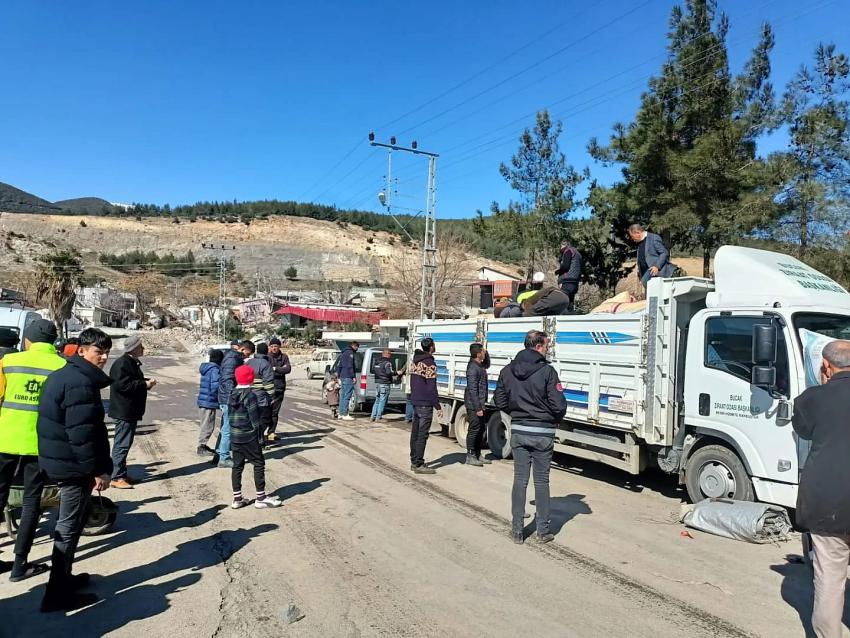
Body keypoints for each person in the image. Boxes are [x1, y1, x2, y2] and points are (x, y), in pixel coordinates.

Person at [37, 328, 114, 612]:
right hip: (72, 467)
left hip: (65, 461)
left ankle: (64, 579)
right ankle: (56, 594)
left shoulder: (68, 375)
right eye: (98, 351)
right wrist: (97, 470)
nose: (104, 357)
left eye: (106, 352)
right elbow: (82, 436)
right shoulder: (79, 382)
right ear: (81, 351)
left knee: (71, 524)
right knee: (68, 527)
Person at [792, 340, 850, 638]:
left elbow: (802, 429)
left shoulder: (812, 399)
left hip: (829, 504)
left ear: (826, 366)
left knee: (829, 580)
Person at [0, 319, 66, 581]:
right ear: (52, 342)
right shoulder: (62, 365)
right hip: (41, 443)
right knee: (31, 502)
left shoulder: (8, 362)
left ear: (27, 340)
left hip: (5, 439)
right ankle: (19, 566)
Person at [494, 330, 566, 545]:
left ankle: (517, 530)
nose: (547, 348)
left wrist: (516, 413)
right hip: (543, 432)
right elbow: (559, 404)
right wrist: (551, 418)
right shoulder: (547, 372)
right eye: (545, 345)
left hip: (519, 430)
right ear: (538, 346)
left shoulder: (507, 371)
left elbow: (499, 399)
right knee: (542, 481)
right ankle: (542, 531)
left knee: (520, 479)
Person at [228, 365, 281, 510]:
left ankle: (237, 499)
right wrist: (260, 437)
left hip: (235, 436)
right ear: (251, 378)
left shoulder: (232, 394)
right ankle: (261, 498)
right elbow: (254, 419)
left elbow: (228, 416)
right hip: (249, 436)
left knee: (237, 466)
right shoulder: (250, 395)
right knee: (258, 463)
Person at [107, 335, 155, 489]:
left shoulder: (130, 362)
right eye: (140, 347)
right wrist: (145, 384)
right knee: (122, 444)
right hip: (124, 410)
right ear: (133, 349)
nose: (143, 349)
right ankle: (116, 476)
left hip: (129, 410)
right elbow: (123, 386)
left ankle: (121, 472)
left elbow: (132, 381)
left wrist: (145, 382)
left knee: (125, 443)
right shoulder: (122, 364)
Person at [409, 337, 442, 475]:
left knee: (415, 433)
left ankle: (413, 460)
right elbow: (431, 387)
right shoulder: (429, 363)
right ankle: (418, 463)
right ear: (431, 347)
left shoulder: (415, 361)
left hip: (416, 401)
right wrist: (437, 405)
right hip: (425, 403)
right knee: (422, 434)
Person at [216, 341, 245, 468]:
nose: (246, 357)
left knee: (225, 428)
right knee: (227, 429)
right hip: (228, 399)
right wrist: (232, 398)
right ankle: (224, 457)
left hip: (226, 397)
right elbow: (228, 380)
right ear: (242, 349)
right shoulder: (232, 358)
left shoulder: (231, 357)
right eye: (247, 353)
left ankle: (219, 454)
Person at [242, 341, 275, 444]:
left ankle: (253, 439)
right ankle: (258, 439)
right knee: (264, 419)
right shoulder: (265, 364)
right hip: (261, 397)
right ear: (266, 352)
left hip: (248, 395)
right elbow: (268, 383)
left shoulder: (248, 362)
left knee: (251, 419)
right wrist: (272, 396)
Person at [464, 343, 491, 467]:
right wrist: (478, 408)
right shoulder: (472, 368)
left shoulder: (479, 366)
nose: (484, 353)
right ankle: (470, 455)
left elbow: (488, 363)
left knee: (481, 430)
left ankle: (477, 454)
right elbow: (472, 390)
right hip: (474, 404)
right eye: (483, 351)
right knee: (474, 430)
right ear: (478, 353)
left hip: (480, 403)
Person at [628, 223, 674, 288]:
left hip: (655, 272)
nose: (631, 239)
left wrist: (657, 266)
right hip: (645, 273)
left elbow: (664, 253)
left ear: (637, 232)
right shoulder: (640, 242)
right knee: (649, 293)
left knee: (650, 288)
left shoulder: (653, 238)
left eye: (632, 236)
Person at [196, 349, 223, 456]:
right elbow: (215, 386)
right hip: (209, 401)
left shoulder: (207, 368)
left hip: (204, 401)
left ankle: (202, 445)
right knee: (207, 425)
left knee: (205, 424)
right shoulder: (215, 370)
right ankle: (201, 447)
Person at [267, 337, 291, 441]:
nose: (273, 348)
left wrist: (275, 368)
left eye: (275, 346)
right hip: (268, 388)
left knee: (275, 412)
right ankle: (261, 432)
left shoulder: (284, 357)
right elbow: (267, 370)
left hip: (279, 388)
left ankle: (271, 432)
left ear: (279, 347)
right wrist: (280, 370)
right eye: (272, 346)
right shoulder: (266, 357)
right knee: (266, 411)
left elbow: (288, 369)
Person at [554, 240, 582, 313]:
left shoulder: (568, 251)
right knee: (570, 303)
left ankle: (564, 320)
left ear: (565, 245)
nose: (560, 248)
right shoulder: (578, 253)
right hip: (575, 282)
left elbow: (566, 266)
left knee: (563, 303)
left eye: (561, 246)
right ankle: (571, 318)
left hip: (567, 281)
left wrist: (557, 272)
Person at [371, 348, 396, 422]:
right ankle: (379, 417)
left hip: (378, 383)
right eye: (390, 354)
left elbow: (373, 370)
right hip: (385, 383)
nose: (391, 356)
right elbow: (389, 372)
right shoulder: (387, 363)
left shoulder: (377, 362)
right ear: (387, 354)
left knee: (377, 400)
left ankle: (373, 416)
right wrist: (396, 373)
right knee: (382, 401)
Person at [337, 341, 359, 422]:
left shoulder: (343, 353)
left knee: (342, 395)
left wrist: (338, 375)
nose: (357, 349)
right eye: (357, 347)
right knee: (347, 395)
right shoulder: (350, 353)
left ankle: (340, 413)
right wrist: (353, 376)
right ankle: (345, 414)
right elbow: (350, 366)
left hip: (342, 376)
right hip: (348, 376)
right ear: (354, 346)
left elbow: (339, 365)